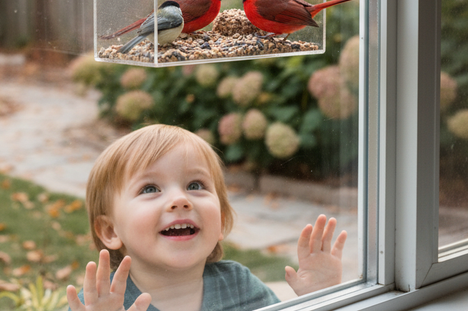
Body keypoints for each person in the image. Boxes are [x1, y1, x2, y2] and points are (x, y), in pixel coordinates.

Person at [67, 124, 347, 311]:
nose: (180, 200)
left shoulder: (238, 285)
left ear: (221, 219)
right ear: (110, 230)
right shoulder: (100, 302)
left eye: (195, 185)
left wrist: (320, 299)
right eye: (150, 188)